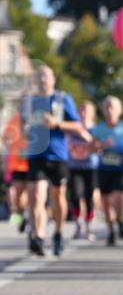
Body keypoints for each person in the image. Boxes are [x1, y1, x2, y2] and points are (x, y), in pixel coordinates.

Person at [23, 64, 85, 257]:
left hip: (57, 155)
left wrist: (57, 123)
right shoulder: (30, 101)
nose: (42, 79)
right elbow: (23, 125)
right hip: (36, 155)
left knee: (58, 197)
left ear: (53, 79)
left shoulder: (62, 99)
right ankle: (39, 237)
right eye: (39, 75)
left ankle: (58, 232)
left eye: (46, 76)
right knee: (36, 197)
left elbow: (77, 126)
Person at [90, 95, 123, 246]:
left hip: (120, 170)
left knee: (118, 198)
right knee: (106, 203)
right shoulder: (98, 129)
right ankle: (110, 229)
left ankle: (120, 221)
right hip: (104, 170)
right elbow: (90, 148)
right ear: (103, 111)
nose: (110, 110)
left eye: (113, 107)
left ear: (119, 110)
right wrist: (101, 145)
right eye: (107, 107)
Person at [68, 100, 99, 241]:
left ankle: (88, 226)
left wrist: (87, 137)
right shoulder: (72, 128)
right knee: (75, 194)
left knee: (89, 196)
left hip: (91, 167)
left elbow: (98, 147)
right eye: (81, 110)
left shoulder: (96, 129)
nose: (83, 113)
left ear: (92, 114)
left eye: (86, 110)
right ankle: (78, 224)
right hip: (75, 167)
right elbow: (67, 145)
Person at [1, 106, 29, 232]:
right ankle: (23, 215)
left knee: (34, 193)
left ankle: (30, 217)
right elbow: (5, 137)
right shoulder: (14, 120)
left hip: (33, 162)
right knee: (18, 194)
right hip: (17, 164)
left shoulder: (37, 120)